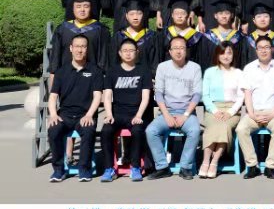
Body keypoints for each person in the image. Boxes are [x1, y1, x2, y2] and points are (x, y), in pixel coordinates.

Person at [145, 35, 203, 180]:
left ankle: (185, 167)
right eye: (175, 48)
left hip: (187, 113)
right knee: (151, 131)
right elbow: (158, 93)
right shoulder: (162, 67)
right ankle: (162, 167)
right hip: (167, 112)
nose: (178, 51)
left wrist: (185, 115)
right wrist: (166, 115)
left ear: (186, 50)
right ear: (169, 51)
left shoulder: (195, 68)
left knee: (195, 130)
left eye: (182, 48)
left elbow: (197, 95)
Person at [47, 34, 103, 182]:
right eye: (77, 46)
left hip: (85, 114)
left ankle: (84, 169)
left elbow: (97, 96)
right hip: (64, 115)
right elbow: (53, 97)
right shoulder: (61, 71)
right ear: (71, 48)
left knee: (88, 130)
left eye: (83, 46)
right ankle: (58, 170)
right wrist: (53, 114)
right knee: (53, 130)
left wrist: (89, 115)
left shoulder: (95, 71)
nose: (80, 50)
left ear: (87, 49)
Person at [99, 38, 152, 183]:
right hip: (117, 113)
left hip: (136, 113)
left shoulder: (144, 71)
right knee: (106, 131)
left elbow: (145, 97)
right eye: (125, 51)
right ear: (119, 53)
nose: (128, 53)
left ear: (137, 52)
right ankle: (109, 168)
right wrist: (109, 114)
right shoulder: (112, 71)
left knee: (137, 131)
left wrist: (139, 115)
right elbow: (107, 95)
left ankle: (135, 167)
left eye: (131, 50)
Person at [236, 35, 274, 179]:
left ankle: (270, 166)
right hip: (254, 112)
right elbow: (247, 94)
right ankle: (252, 166)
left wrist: (273, 113)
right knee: (241, 129)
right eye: (260, 48)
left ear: (272, 49)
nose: (263, 50)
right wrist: (252, 114)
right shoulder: (249, 68)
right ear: (256, 50)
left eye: (267, 47)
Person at [200, 42, 244, 179]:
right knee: (214, 125)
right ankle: (205, 161)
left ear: (233, 55)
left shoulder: (238, 73)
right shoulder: (210, 72)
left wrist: (230, 112)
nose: (226, 56)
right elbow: (205, 95)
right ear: (217, 55)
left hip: (232, 110)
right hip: (213, 109)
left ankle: (214, 161)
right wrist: (214, 110)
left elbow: (241, 96)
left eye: (229, 53)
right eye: (222, 53)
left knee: (224, 125)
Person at [49, 0, 110, 81]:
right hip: (67, 78)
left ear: (91, 8)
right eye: (78, 6)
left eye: (86, 6)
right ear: (73, 9)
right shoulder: (62, 29)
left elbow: (104, 59)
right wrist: (53, 84)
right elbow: (55, 59)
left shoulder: (100, 30)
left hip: (92, 78)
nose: (82, 10)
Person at [110, 0, 159, 74]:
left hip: (145, 77)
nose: (135, 17)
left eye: (139, 13)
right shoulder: (119, 36)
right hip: (122, 77)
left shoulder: (151, 36)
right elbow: (113, 61)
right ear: (126, 16)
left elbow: (155, 62)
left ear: (144, 15)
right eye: (131, 14)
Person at [198, 0, 243, 70]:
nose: (224, 16)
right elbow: (203, 61)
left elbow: (241, 61)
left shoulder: (238, 37)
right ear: (215, 16)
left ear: (232, 15)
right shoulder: (208, 36)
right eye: (220, 13)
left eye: (227, 13)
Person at [160, 0, 203, 65]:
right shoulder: (165, 33)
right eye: (176, 13)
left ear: (187, 15)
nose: (179, 16)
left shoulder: (196, 36)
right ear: (172, 15)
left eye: (183, 13)